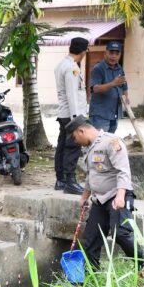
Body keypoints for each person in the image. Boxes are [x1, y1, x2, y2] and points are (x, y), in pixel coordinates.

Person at [65, 116, 144, 271]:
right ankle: (91, 275)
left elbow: (123, 171)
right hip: (99, 199)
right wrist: (84, 197)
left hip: (117, 195)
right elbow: (91, 175)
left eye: (75, 138)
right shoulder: (89, 148)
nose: (76, 142)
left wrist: (120, 196)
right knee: (91, 238)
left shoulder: (112, 142)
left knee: (121, 233)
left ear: (81, 131)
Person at [53, 36, 88, 194]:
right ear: (83, 51)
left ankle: (60, 179)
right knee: (72, 147)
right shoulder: (72, 68)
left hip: (65, 114)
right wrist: (76, 120)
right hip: (72, 115)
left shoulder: (62, 64)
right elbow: (72, 94)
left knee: (62, 147)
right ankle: (70, 181)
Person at [89, 41, 129, 134]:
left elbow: (124, 84)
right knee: (98, 143)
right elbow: (94, 89)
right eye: (111, 53)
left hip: (114, 114)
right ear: (105, 53)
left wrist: (127, 96)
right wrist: (112, 84)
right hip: (100, 115)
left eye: (117, 53)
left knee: (109, 143)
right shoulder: (98, 68)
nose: (114, 56)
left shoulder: (119, 68)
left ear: (120, 55)